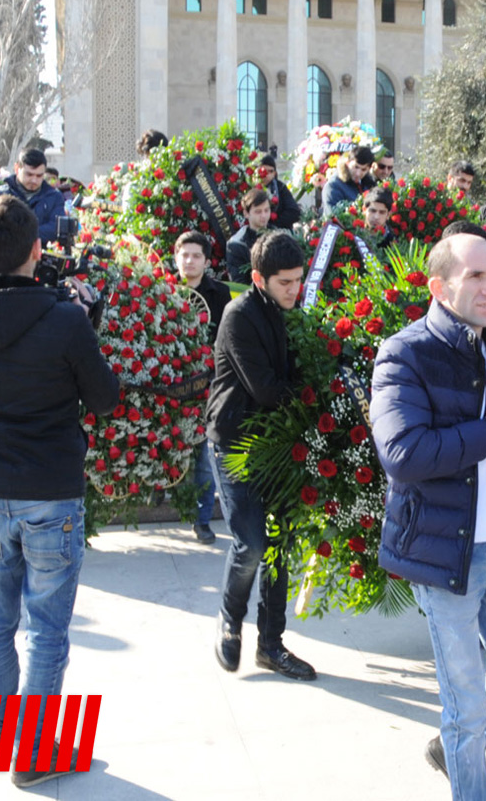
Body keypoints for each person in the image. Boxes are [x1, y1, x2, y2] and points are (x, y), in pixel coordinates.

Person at [0, 194, 119, 788]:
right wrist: (85, 320)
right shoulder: (64, 318)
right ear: (37, 251)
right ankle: (36, 753)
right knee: (45, 627)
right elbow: (105, 398)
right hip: (50, 493)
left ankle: (2, 732)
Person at [371, 233, 486, 799]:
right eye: (475, 276)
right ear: (439, 286)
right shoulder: (405, 352)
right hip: (447, 553)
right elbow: (402, 453)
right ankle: (465, 762)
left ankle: (451, 747)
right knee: (466, 702)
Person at [208, 231, 316, 681]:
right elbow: (268, 389)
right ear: (258, 278)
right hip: (236, 442)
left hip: (279, 443)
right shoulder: (239, 316)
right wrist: (316, 396)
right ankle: (229, 620)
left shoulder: (293, 311)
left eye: (299, 280)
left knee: (280, 546)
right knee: (251, 543)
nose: (295, 290)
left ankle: (271, 645)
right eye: (285, 282)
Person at [174, 230, 233, 544]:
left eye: (196, 255)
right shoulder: (164, 288)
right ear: (176, 257)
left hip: (206, 385)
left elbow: (225, 340)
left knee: (204, 456)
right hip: (170, 385)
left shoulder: (219, 292)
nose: (190, 261)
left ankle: (201, 520)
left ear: (207, 261)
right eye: (184, 254)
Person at [0, 148, 66, 246]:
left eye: (39, 176)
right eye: (29, 174)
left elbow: (55, 228)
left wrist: (19, 234)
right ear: (17, 169)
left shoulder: (54, 197)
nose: (34, 180)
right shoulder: (1, 194)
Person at [226, 188, 274, 284]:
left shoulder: (278, 234)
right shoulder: (236, 244)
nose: (263, 215)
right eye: (258, 212)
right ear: (246, 213)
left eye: (266, 210)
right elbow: (239, 282)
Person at [322, 146, 374, 215]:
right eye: (356, 167)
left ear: (369, 169)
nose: (358, 173)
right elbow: (333, 216)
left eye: (363, 169)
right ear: (347, 163)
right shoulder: (333, 186)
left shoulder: (369, 183)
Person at [258, 153, 302, 232]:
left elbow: (294, 212)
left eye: (270, 171)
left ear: (275, 173)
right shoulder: (251, 186)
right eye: (264, 171)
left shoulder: (280, 188)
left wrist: (274, 224)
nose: (267, 175)